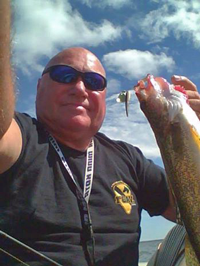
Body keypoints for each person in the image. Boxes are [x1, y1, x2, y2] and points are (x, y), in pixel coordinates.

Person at [1, 1, 200, 266]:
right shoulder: (19, 138)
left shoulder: (128, 158)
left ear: (105, 97)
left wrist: (192, 141)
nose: (81, 88)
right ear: (38, 87)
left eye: (94, 82)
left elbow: (185, 211)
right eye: (64, 75)